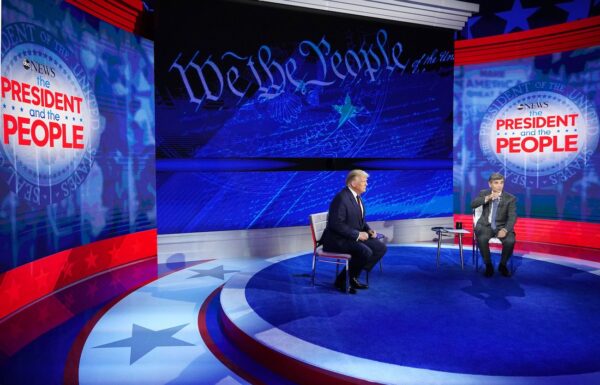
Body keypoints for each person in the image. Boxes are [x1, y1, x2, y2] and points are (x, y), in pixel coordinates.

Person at [321, 170, 387, 293]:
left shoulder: (357, 197)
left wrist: (368, 230)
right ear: (353, 183)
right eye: (363, 181)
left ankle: (353, 275)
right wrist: (357, 234)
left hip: (349, 237)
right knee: (364, 251)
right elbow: (336, 224)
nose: (366, 184)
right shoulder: (341, 198)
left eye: (366, 181)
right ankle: (341, 281)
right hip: (337, 240)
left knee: (380, 248)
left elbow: (359, 220)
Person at [471, 172, 517, 277]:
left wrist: (505, 230)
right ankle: (488, 265)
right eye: (496, 183)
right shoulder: (484, 193)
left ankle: (503, 264)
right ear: (490, 184)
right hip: (485, 225)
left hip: (502, 226)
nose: (499, 185)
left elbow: (512, 217)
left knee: (510, 240)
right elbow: (473, 204)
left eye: (501, 183)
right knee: (482, 239)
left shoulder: (510, 198)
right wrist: (489, 197)